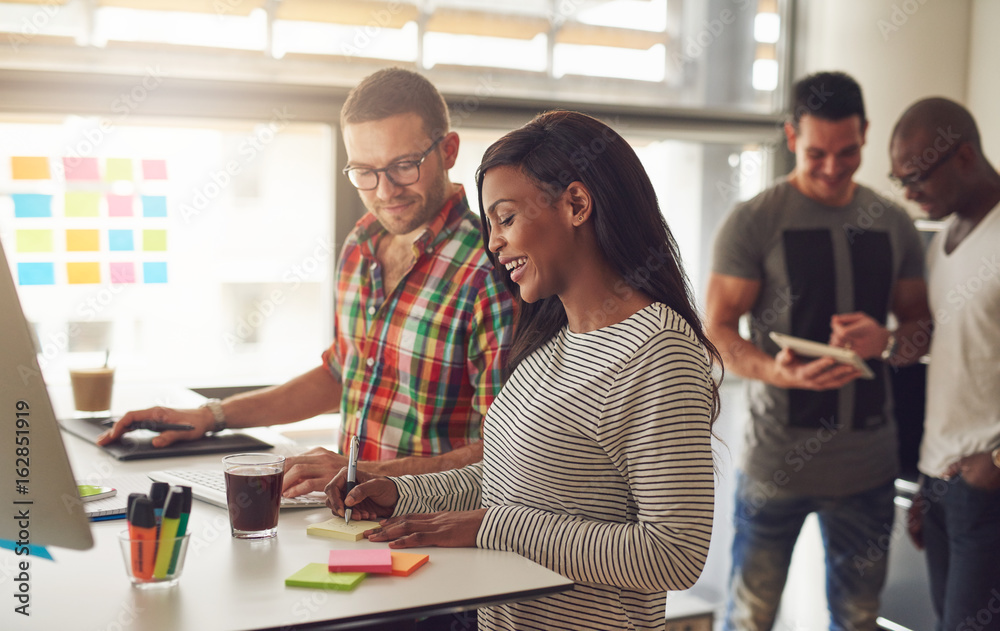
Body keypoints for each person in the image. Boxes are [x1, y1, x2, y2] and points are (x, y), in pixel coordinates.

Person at [324, 110, 721, 631]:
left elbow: (674, 554)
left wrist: (494, 527)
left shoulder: (658, 353)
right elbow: (514, 482)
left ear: (577, 204)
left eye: (506, 219)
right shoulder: (551, 340)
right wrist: (403, 493)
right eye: (490, 225)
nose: (493, 243)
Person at [98, 68, 515, 496]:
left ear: (448, 151)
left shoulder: (492, 270)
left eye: (404, 166)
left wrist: (369, 475)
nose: (385, 190)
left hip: (433, 527)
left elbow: (504, 452)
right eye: (364, 171)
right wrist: (213, 417)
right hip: (349, 514)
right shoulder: (361, 244)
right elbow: (342, 374)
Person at [705, 71, 931, 631]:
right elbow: (718, 332)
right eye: (816, 154)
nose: (833, 167)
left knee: (858, 619)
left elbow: (923, 329)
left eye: (847, 152)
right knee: (750, 617)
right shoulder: (754, 221)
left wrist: (888, 341)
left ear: (866, 136)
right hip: (775, 466)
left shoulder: (895, 223)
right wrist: (778, 373)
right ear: (791, 137)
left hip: (869, 468)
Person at [889, 97, 1000, 630]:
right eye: (899, 181)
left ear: (962, 157)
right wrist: (926, 487)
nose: (908, 194)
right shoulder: (942, 242)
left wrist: (995, 463)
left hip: (987, 484)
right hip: (940, 482)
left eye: (917, 178)